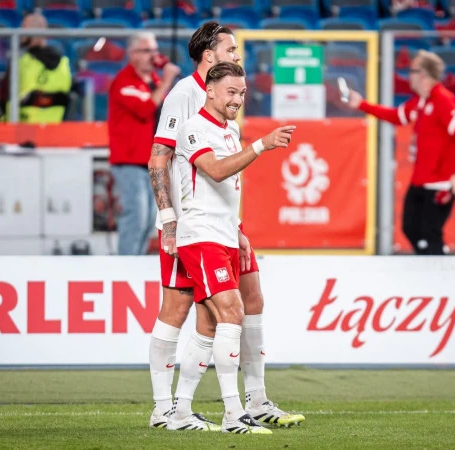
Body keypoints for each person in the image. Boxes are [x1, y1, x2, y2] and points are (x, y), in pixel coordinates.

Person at [147, 22, 305, 431]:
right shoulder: (185, 95)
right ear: (209, 55)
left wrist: (237, 227)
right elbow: (160, 158)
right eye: (231, 49)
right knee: (181, 308)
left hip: (223, 224)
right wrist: (169, 220)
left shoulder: (228, 113)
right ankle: (167, 408)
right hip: (190, 223)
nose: (237, 55)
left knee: (249, 300)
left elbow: (226, 178)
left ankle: (254, 400)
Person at [175, 62, 295, 434]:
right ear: (210, 91)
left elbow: (228, 189)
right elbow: (215, 170)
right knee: (233, 311)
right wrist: (261, 145)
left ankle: (180, 411)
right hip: (201, 235)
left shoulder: (231, 129)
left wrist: (238, 229)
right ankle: (233, 414)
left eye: (242, 93)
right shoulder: (193, 129)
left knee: (209, 324)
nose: (237, 100)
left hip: (226, 234)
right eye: (231, 92)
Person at [345, 50, 455, 255]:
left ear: (423, 75)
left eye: (412, 71)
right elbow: (396, 116)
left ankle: (439, 266)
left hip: (440, 181)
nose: (408, 76)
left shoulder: (443, 100)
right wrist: (362, 104)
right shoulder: (421, 101)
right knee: (410, 228)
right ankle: (429, 261)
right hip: (421, 179)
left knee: (430, 233)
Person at [108, 32, 181, 255]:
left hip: (152, 161)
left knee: (150, 218)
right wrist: (167, 81)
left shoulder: (153, 82)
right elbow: (144, 108)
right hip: (129, 161)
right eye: (147, 50)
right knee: (136, 215)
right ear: (132, 54)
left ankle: (135, 261)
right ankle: (125, 264)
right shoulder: (124, 81)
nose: (153, 55)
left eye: (155, 50)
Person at [0, 13, 72, 123]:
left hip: (21, 126)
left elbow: (4, 100)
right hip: (56, 125)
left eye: (22, 28)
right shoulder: (64, 64)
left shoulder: (20, 62)